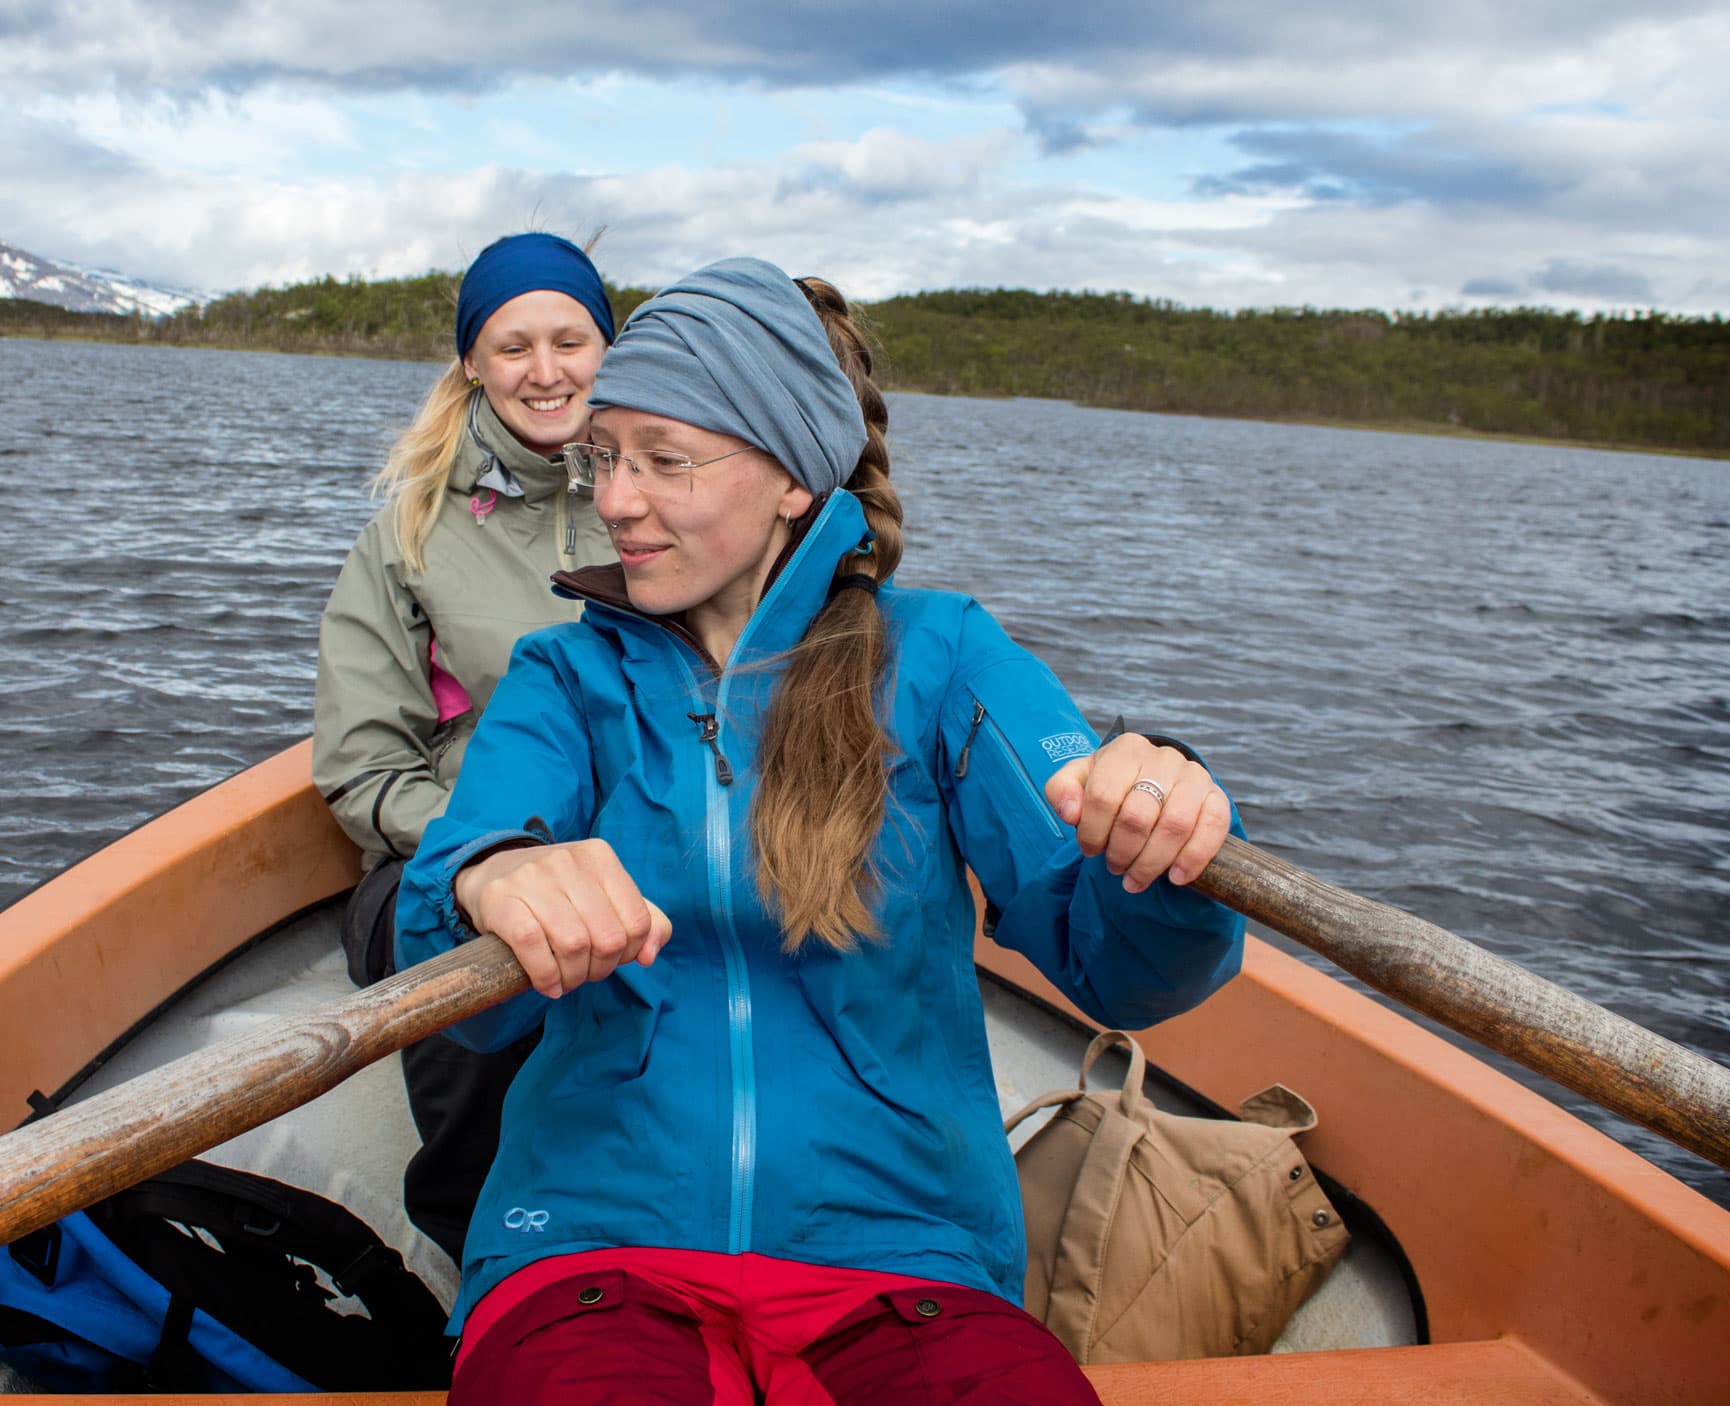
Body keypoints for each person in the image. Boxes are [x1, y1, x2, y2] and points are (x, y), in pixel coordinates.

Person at [393, 258, 1247, 1405]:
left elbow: (1117, 967)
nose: (616, 499)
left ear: (794, 479)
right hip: (594, 1248)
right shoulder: (566, 674)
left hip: (905, 1255)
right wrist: (496, 877)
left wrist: (1163, 841)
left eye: (665, 459)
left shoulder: (943, 658)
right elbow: (445, 941)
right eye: (605, 454)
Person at [311, 232, 623, 1264]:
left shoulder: (662, 501)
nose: (546, 371)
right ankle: (480, 1243)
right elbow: (363, 772)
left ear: (606, 348)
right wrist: (490, 853)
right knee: (503, 950)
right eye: (513, 344)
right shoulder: (407, 533)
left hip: (630, 841)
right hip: (434, 852)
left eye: (570, 339)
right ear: (473, 366)